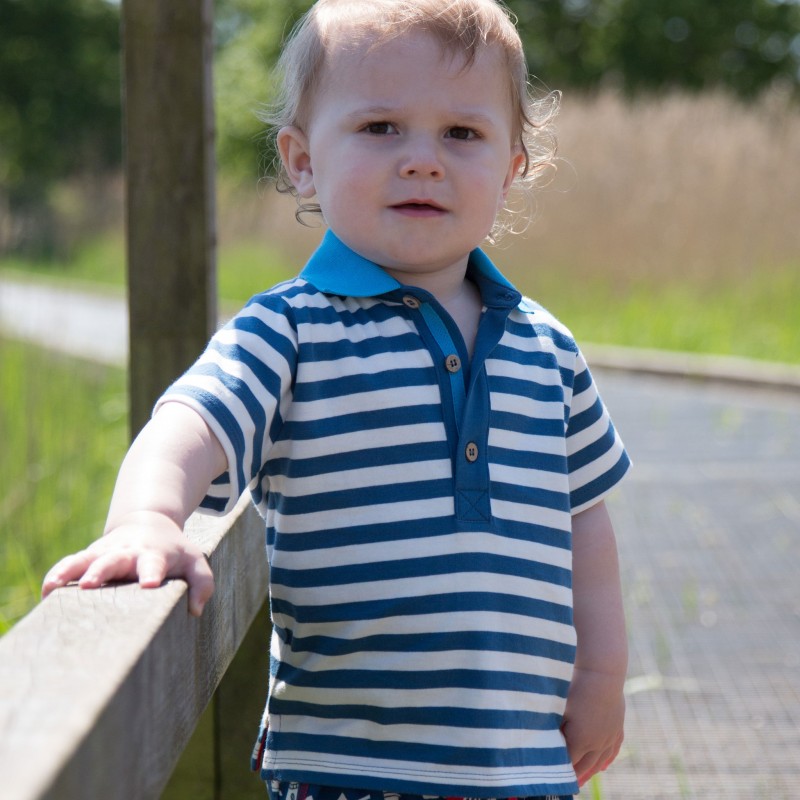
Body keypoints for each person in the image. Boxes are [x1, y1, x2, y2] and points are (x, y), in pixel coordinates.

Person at [43, 1, 631, 798]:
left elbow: (584, 522)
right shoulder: (289, 332)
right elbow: (186, 425)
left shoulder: (548, 349)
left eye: (462, 134)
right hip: (344, 764)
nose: (423, 160)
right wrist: (147, 519)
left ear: (512, 166)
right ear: (302, 160)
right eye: (381, 127)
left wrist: (600, 675)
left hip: (523, 763)